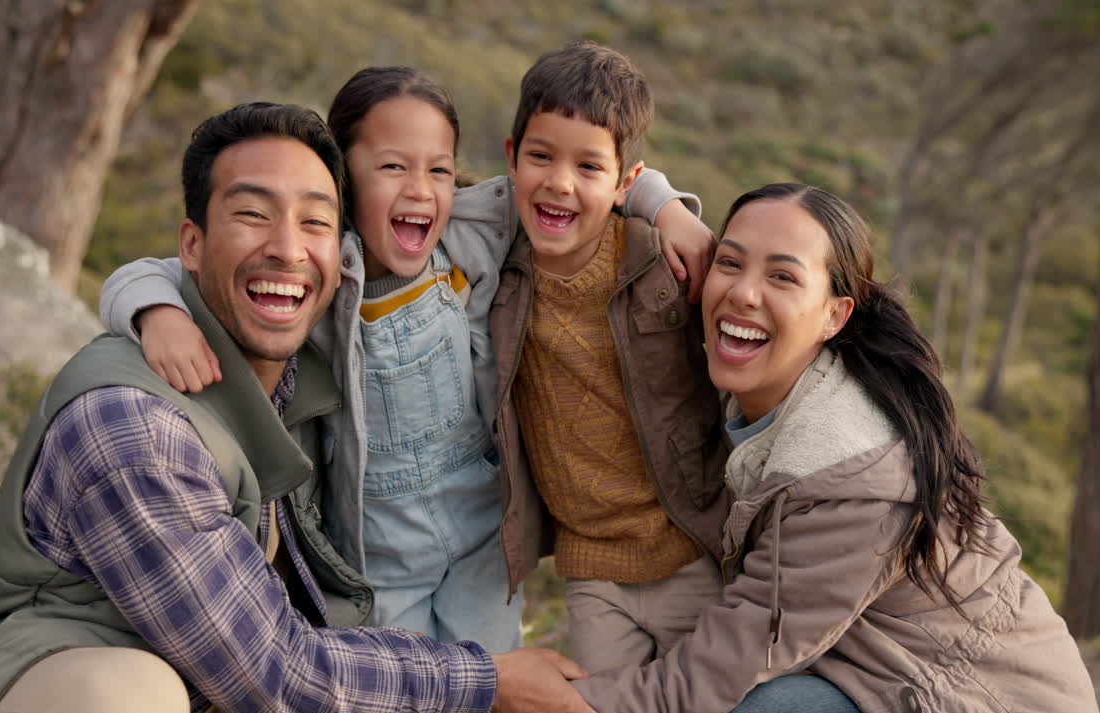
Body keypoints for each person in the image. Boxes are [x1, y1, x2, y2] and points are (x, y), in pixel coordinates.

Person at [0, 102, 601, 713]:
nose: (287, 247)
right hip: (35, 683)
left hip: (216, 689)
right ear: (191, 245)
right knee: (127, 697)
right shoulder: (134, 429)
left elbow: (571, 183)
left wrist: (651, 203)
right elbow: (272, 675)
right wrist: (488, 679)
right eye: (253, 214)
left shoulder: (307, 367)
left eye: (315, 221)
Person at [98, 67, 711, 652]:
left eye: (439, 169)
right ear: (343, 176)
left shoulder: (470, 230)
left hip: (481, 533)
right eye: (392, 166)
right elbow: (148, 272)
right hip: (380, 550)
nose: (420, 189)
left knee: (489, 681)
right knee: (407, 689)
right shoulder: (319, 270)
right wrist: (159, 313)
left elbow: (578, 174)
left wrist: (666, 206)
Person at [571, 182, 1100, 713]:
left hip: (990, 704)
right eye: (729, 263)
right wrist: (662, 204)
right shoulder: (771, 395)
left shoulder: (851, 473)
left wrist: (550, 701)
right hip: (884, 676)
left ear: (835, 315)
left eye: (782, 276)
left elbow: (710, 676)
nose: (744, 293)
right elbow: (575, 163)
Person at [489, 40, 731, 674]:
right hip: (592, 570)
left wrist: (668, 206)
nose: (560, 183)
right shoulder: (493, 254)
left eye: (589, 167)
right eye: (541, 156)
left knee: (715, 702)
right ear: (512, 156)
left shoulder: (660, 263)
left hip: (692, 548)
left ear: (625, 182)